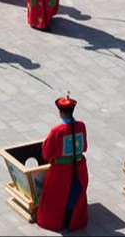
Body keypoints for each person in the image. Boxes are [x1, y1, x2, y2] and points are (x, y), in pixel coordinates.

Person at [37, 96, 89, 230]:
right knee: (74, 193)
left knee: (57, 196)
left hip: (60, 170)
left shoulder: (56, 131)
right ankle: (72, 219)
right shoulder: (81, 126)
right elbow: (84, 147)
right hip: (78, 167)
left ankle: (58, 221)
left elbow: (46, 152)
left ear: (60, 113)